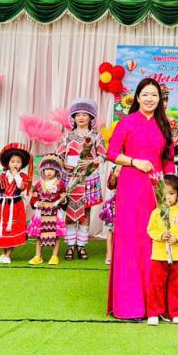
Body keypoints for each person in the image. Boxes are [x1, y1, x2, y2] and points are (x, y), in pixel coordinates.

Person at [107, 78, 176, 320]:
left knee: (153, 242)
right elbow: (111, 153)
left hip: (156, 190)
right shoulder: (126, 122)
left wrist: (170, 189)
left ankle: (154, 305)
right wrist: (134, 161)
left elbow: (168, 160)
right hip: (130, 188)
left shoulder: (165, 125)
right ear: (137, 97)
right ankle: (129, 306)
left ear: (160, 99)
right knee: (130, 242)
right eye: (145, 94)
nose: (149, 99)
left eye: (154, 95)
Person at [57, 98, 106, 260]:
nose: (81, 117)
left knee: (86, 211)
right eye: (78, 114)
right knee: (70, 211)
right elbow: (59, 155)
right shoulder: (68, 136)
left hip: (89, 178)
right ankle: (70, 245)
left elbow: (103, 156)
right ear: (73, 117)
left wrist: (91, 162)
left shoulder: (96, 136)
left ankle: (82, 245)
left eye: (85, 114)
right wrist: (63, 164)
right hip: (70, 177)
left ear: (91, 117)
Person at [146, 175, 178, 325]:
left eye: (171, 193)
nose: (168, 197)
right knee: (156, 285)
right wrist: (161, 236)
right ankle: (154, 313)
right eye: (165, 193)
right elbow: (150, 230)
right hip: (159, 256)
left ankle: (177, 312)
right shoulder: (156, 212)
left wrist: (177, 238)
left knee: (177, 286)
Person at [0, 142, 32, 264]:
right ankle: (3, 253)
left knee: (13, 229)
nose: (15, 164)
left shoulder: (23, 176)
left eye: (18, 162)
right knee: (2, 229)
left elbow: (21, 187)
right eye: (13, 161)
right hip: (3, 206)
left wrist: (16, 175)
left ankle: (8, 255)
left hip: (16, 206)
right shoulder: (2, 176)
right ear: (8, 163)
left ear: (22, 164)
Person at [27, 154, 66, 266]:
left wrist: (62, 200)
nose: (49, 172)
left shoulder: (60, 184)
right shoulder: (39, 184)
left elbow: (63, 199)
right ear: (43, 170)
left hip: (54, 213)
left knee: (55, 235)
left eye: (52, 169)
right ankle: (38, 256)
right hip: (41, 212)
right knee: (39, 235)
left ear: (57, 171)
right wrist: (37, 203)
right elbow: (34, 198)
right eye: (47, 169)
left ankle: (54, 256)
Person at [100, 165, 120, 265]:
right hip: (115, 202)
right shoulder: (115, 168)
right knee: (110, 229)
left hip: (128, 201)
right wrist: (115, 175)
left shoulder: (133, 167)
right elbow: (110, 185)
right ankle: (109, 254)